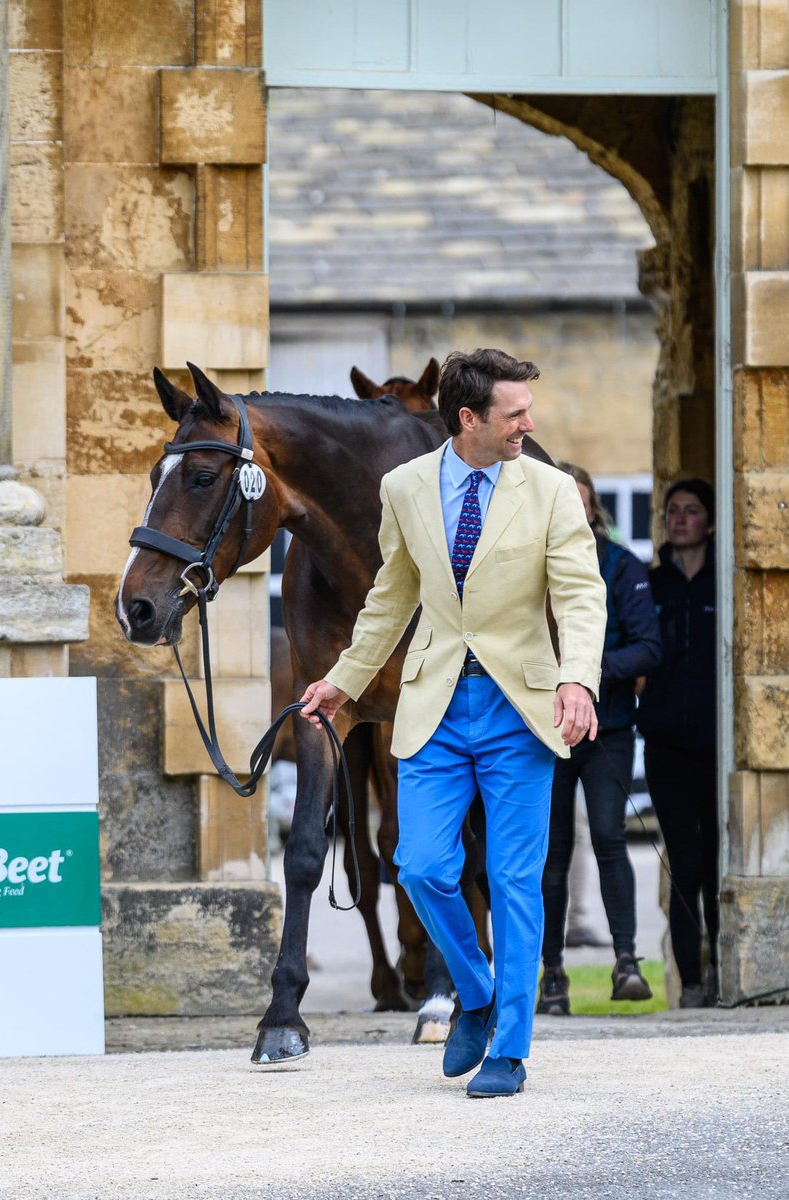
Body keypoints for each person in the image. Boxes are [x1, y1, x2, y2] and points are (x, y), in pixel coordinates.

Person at [300, 348, 607, 1097]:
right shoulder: (404, 487)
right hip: (433, 702)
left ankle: (509, 1045)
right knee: (422, 867)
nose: (528, 425)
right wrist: (342, 681)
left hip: (519, 707)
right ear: (468, 419)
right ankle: (475, 992)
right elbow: (391, 596)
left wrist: (576, 681)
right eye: (514, 414)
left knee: (511, 880)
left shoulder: (551, 489)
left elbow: (579, 595)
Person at [538, 463, 662, 1016]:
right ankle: (551, 976)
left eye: (579, 500)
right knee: (550, 854)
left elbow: (649, 648)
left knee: (610, 839)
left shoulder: (621, 565)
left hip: (607, 727)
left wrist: (585, 671)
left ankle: (627, 962)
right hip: (545, 731)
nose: (572, 509)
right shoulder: (532, 565)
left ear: (592, 509)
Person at [636, 478, 718, 1009]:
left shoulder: (724, 581)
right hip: (666, 742)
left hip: (718, 745)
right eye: (672, 511)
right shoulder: (652, 584)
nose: (679, 519)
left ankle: (722, 974)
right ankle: (690, 981)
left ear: (710, 522)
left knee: (715, 860)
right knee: (683, 860)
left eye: (691, 511)